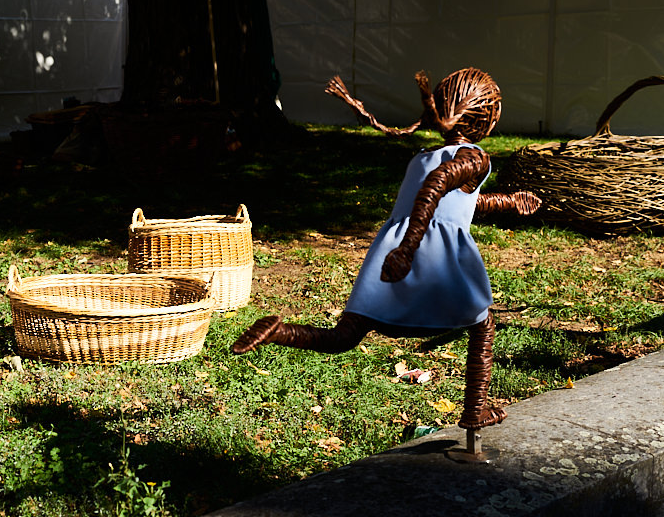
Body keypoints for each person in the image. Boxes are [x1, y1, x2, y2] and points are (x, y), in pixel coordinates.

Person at [231, 67, 540, 444]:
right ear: (486, 117)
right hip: (424, 251)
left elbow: (458, 202)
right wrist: (408, 249)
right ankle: (475, 408)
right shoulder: (474, 158)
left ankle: (279, 332)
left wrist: (510, 202)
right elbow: (436, 188)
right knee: (483, 323)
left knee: (345, 336)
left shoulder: (425, 155)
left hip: (390, 247)